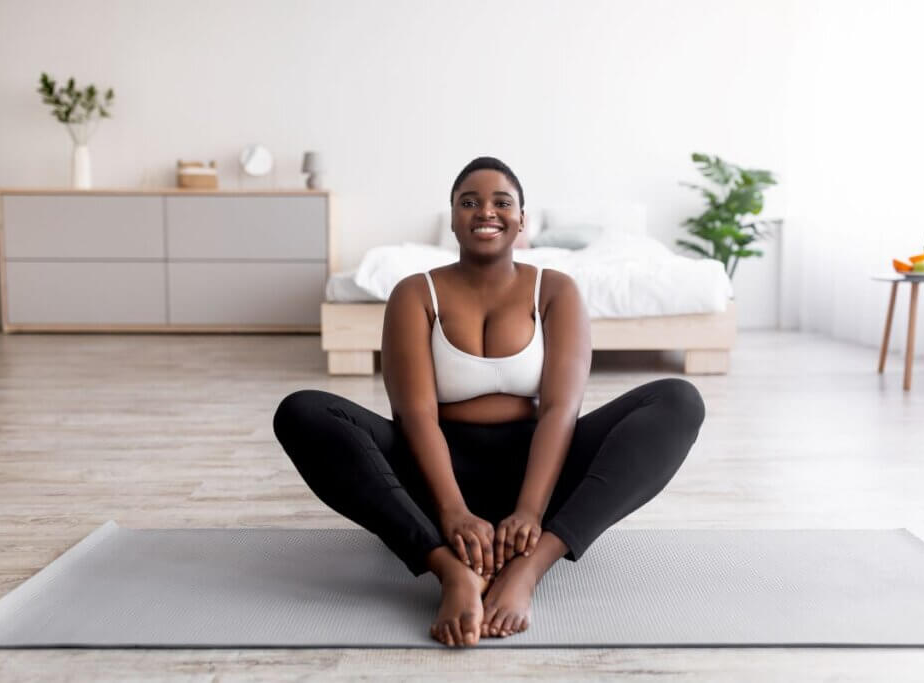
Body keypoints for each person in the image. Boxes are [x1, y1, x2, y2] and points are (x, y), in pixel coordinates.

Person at [273, 156, 705, 648]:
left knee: (678, 400)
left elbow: (561, 411)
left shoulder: (556, 290)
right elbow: (414, 414)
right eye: (470, 202)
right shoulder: (415, 293)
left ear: (522, 219)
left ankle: (529, 567)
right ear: (453, 217)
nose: (487, 212)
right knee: (303, 411)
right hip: (434, 478)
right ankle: (451, 571)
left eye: (503, 203)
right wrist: (453, 512)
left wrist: (529, 512)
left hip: (539, 471)